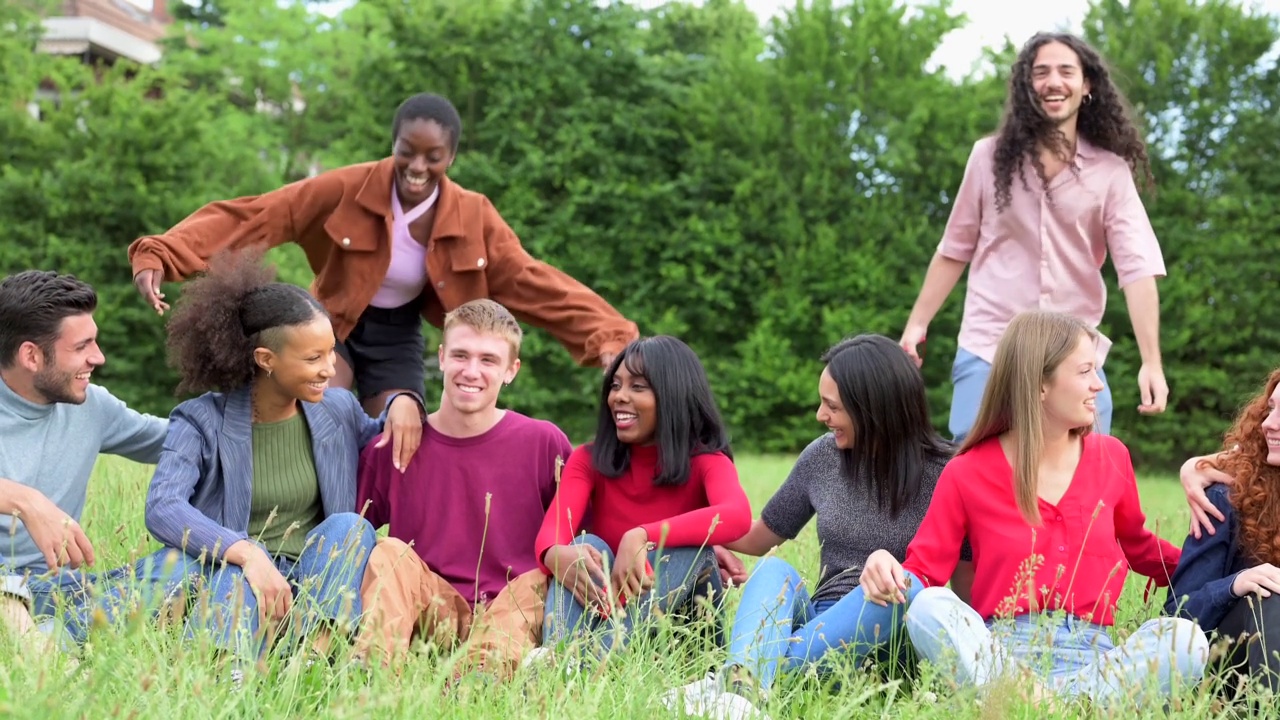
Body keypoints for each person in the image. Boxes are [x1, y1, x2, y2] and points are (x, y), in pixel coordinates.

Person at [128, 92, 639, 417]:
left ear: (451, 157)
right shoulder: (348, 188)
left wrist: (610, 339)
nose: (417, 167)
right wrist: (163, 254)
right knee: (320, 411)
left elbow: (531, 281)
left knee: (402, 424)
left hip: (398, 334)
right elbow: (260, 215)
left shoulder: (473, 216)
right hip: (331, 323)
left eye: (432, 157)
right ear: (393, 145)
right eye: (406, 153)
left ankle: (375, 539)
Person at [898, 31, 1169, 602]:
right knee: (972, 482)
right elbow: (954, 248)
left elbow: (1137, 267)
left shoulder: (1110, 174)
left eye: (1066, 71)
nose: (1053, 82)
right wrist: (918, 322)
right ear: (1027, 84)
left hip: (1076, 357)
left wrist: (1151, 360)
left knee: (1087, 488)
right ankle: (971, 626)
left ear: (1087, 84)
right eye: (1041, 71)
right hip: (990, 346)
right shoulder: (988, 158)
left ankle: (1069, 622)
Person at [856, 310, 1206, 707]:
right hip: (999, 657)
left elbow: (1141, 548)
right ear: (1040, 384)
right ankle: (1061, 707)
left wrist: (1226, 569)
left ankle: (1035, 706)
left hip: (1097, 661)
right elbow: (923, 574)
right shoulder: (966, 472)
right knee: (929, 607)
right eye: (1085, 372)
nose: (1098, 386)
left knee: (1185, 639)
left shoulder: (1112, 457)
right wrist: (884, 562)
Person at [143, 250, 425, 666]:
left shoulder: (338, 409)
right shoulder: (200, 419)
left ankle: (313, 661)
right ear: (266, 360)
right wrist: (247, 552)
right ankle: (229, 669)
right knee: (232, 579)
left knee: (350, 525)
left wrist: (403, 398)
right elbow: (163, 507)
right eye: (313, 358)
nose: (330, 369)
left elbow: (386, 432)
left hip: (316, 582)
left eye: (332, 353)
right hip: (239, 577)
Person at [665, 335, 955, 718]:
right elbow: (759, 536)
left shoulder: (947, 474)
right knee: (774, 570)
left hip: (890, 639)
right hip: (819, 618)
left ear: (873, 409)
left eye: (832, 406)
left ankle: (738, 679)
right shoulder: (822, 457)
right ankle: (739, 700)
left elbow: (964, 590)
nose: (820, 415)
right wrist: (698, 537)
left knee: (907, 586)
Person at [354, 299, 572, 680]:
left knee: (542, 574)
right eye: (460, 355)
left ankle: (478, 678)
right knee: (386, 551)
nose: (471, 371)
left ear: (511, 371)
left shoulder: (544, 442)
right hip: (433, 610)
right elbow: (352, 539)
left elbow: (584, 532)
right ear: (440, 358)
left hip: (513, 611)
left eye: (488, 360)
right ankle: (374, 673)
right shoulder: (391, 445)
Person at [536, 336, 752, 661]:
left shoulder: (707, 461)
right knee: (586, 544)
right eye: (616, 385)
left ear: (672, 395)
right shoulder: (588, 460)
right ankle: (560, 658)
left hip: (677, 640)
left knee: (692, 550)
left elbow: (736, 515)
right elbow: (553, 532)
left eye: (638, 387)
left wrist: (643, 536)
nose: (619, 397)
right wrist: (555, 553)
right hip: (601, 615)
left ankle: (583, 666)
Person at [0, 270, 178, 652]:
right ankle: (26, 629)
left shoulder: (92, 406)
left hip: (57, 588)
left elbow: (179, 441)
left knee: (186, 570)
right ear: (31, 355)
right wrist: (25, 501)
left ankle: (48, 640)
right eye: (82, 346)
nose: (98, 357)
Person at [1166, 368, 1280, 693]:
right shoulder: (1225, 495)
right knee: (1269, 594)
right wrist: (1235, 585)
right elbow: (1176, 616)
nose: (1269, 423)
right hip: (1233, 669)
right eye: (1271, 409)